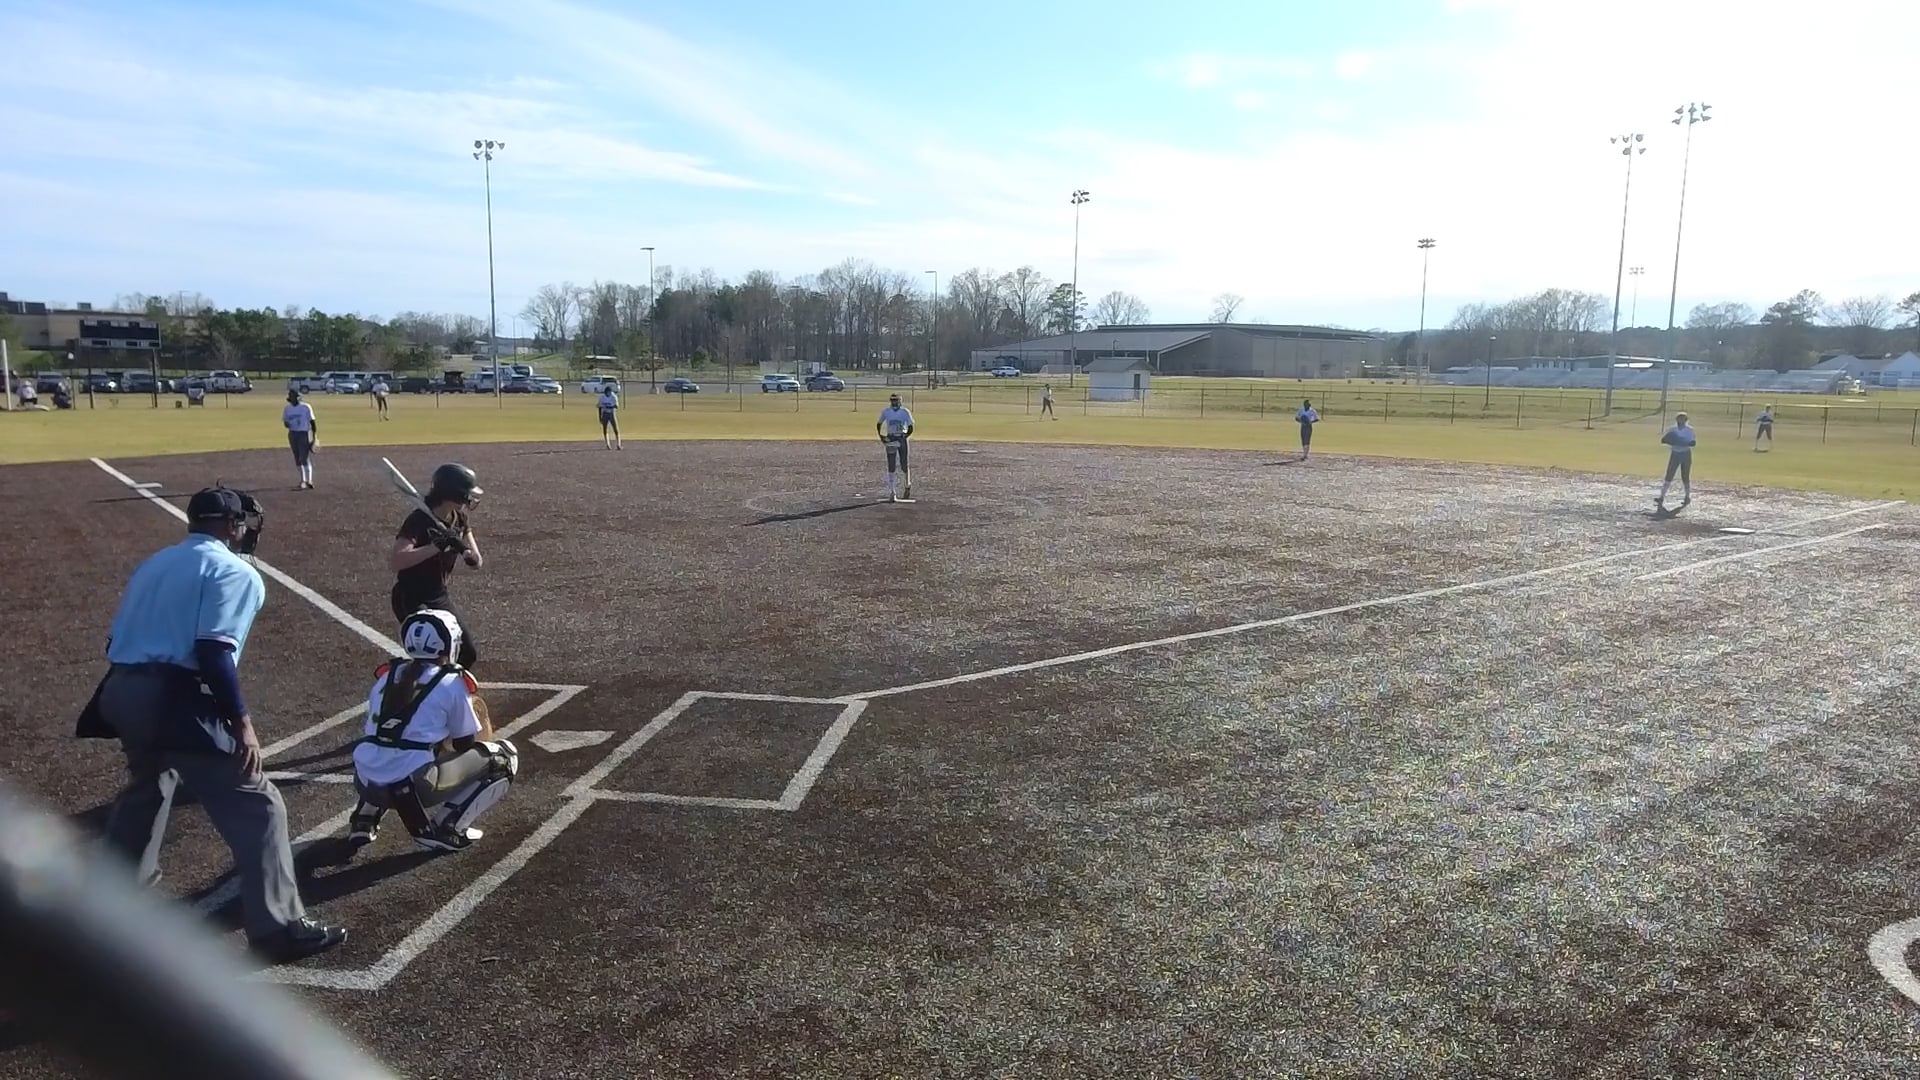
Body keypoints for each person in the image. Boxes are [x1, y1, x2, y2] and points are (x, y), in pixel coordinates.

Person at [73, 486, 345, 963]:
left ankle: (107, 913)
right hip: (172, 698)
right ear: (232, 526)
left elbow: (117, 639)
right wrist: (242, 724)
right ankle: (279, 929)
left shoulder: (155, 563)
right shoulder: (234, 571)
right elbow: (214, 651)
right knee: (258, 806)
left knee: (147, 788)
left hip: (120, 692)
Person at [344, 609, 518, 853]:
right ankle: (449, 827)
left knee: (387, 745)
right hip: (414, 788)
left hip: (366, 783)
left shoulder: (387, 675)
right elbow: (464, 743)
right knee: (503, 757)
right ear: (449, 644)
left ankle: (365, 816)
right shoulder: (452, 681)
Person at [389, 464, 484, 669]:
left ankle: (447, 686)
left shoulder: (459, 519)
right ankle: (417, 685)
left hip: (438, 595)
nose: (469, 499)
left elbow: (476, 561)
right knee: (433, 653)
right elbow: (396, 560)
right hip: (410, 596)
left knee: (466, 654)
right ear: (453, 494)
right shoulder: (418, 521)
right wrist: (435, 547)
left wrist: (468, 554)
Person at [876, 393, 914, 501]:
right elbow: (879, 423)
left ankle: (907, 484)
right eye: (892, 400)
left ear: (900, 401)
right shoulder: (886, 412)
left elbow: (911, 426)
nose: (894, 402)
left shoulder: (905, 412)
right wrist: (881, 437)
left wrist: (905, 436)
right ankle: (892, 492)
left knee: (904, 463)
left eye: (896, 400)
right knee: (891, 464)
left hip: (901, 437)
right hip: (891, 438)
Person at [1658, 411, 1697, 510]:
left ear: (1686, 420)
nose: (1681, 421)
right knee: (1669, 475)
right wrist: (1673, 441)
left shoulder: (1689, 430)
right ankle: (1661, 497)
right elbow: (1664, 440)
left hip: (1685, 454)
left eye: (1683, 419)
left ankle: (1687, 497)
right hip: (1675, 453)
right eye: (1680, 419)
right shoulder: (1672, 430)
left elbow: (1692, 443)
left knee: (1685, 476)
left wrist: (1680, 441)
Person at [282, 389, 317, 490]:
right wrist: (287, 424)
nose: (295, 399)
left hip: (304, 433)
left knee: (304, 457)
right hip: (293, 433)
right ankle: (303, 480)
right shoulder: (287, 409)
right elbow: (285, 422)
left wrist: (314, 437)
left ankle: (309, 481)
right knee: (297, 457)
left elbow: (313, 422)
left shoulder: (306, 407)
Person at [597, 386, 622, 450]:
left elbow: (616, 406)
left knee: (615, 428)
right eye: (606, 393)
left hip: (611, 413)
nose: (607, 394)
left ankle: (618, 444)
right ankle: (607, 444)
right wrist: (600, 417)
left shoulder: (613, 397)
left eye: (608, 392)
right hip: (605, 413)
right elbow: (599, 407)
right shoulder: (602, 397)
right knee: (605, 429)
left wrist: (609, 407)